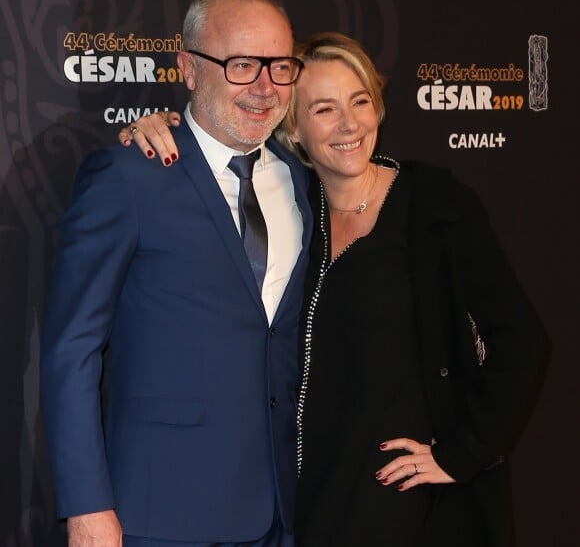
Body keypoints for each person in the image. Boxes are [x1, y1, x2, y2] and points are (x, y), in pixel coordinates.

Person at [119, 32, 549, 546]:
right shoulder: (290, 210)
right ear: (294, 130)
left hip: (416, 507)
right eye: (324, 109)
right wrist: (157, 128)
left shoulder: (436, 204)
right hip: (314, 501)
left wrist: (463, 452)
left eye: (360, 101)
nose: (349, 124)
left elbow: (522, 339)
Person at [40, 0, 313, 547]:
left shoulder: (302, 182)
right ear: (188, 68)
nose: (265, 87)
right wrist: (87, 507)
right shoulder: (128, 177)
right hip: (158, 514)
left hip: (281, 510)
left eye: (279, 65)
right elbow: (72, 350)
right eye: (241, 65)